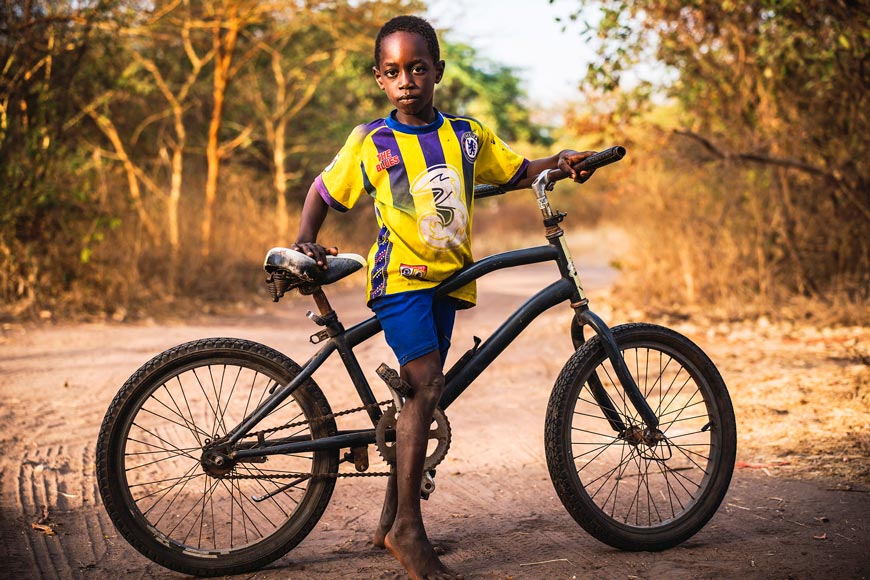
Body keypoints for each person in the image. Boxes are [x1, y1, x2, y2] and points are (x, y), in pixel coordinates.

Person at [291, 15, 596, 580]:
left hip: (450, 282)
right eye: (393, 71)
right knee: (427, 386)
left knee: (418, 399)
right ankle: (409, 532)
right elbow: (323, 189)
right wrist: (305, 239)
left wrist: (560, 161)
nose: (405, 79)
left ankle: (388, 524)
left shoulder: (465, 134)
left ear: (438, 72)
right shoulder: (370, 141)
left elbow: (517, 170)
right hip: (401, 280)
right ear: (379, 78)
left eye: (417, 68)